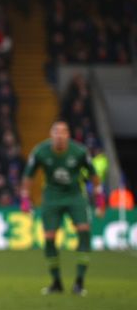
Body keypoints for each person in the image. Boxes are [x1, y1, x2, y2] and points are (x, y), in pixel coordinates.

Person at [21, 120, 106, 296]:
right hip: (52, 196)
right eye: (56, 132)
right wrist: (25, 199)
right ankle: (56, 282)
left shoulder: (80, 151)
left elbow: (94, 175)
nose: (59, 135)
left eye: (63, 132)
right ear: (51, 135)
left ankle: (79, 282)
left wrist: (99, 199)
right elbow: (28, 176)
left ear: (68, 135)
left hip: (75, 195)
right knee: (49, 237)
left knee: (84, 230)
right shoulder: (40, 151)